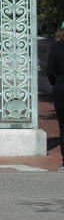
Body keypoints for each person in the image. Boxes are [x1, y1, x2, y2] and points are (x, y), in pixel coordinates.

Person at [46, 22, 64, 172]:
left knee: (63, 128)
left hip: (61, 90)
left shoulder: (56, 48)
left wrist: (55, 82)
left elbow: (49, 71)